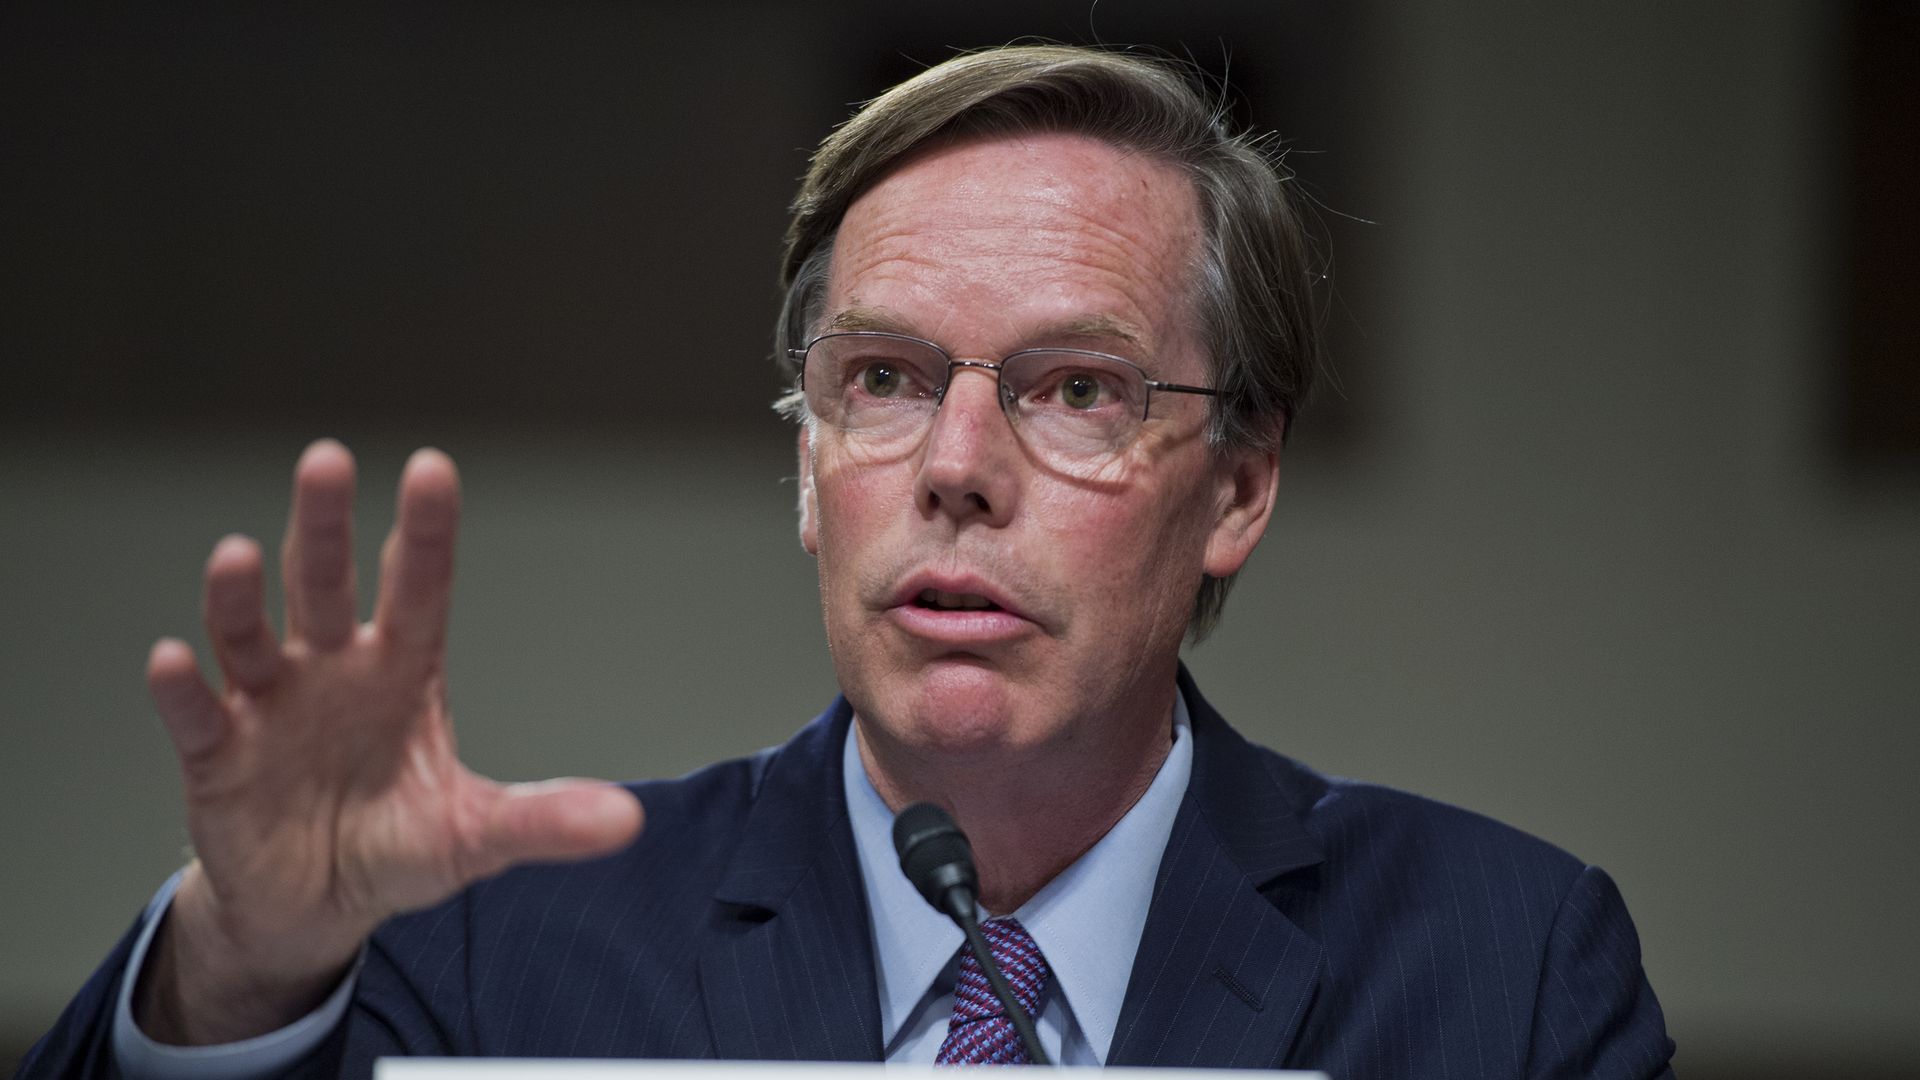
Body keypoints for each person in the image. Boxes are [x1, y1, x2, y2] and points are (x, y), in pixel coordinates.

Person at [20, 44, 1675, 1078]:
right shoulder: (498, 952)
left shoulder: (1505, 973)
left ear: (1237, 486)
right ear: (810, 465)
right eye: (881, 381)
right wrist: (245, 967)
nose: (955, 468)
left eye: (1074, 390)